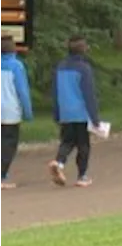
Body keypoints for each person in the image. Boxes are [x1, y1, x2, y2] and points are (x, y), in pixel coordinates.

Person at [48, 37, 101, 188]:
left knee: (67, 141)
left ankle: (59, 162)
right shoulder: (84, 68)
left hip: (65, 112)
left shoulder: (60, 67)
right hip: (81, 113)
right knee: (83, 144)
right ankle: (82, 175)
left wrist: (57, 113)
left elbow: (55, 92)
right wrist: (95, 117)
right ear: (84, 50)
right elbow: (89, 94)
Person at [0, 36, 33, 189]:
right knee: (8, 145)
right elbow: (22, 91)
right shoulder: (16, 66)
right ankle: (2, 176)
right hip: (10, 112)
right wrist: (28, 112)